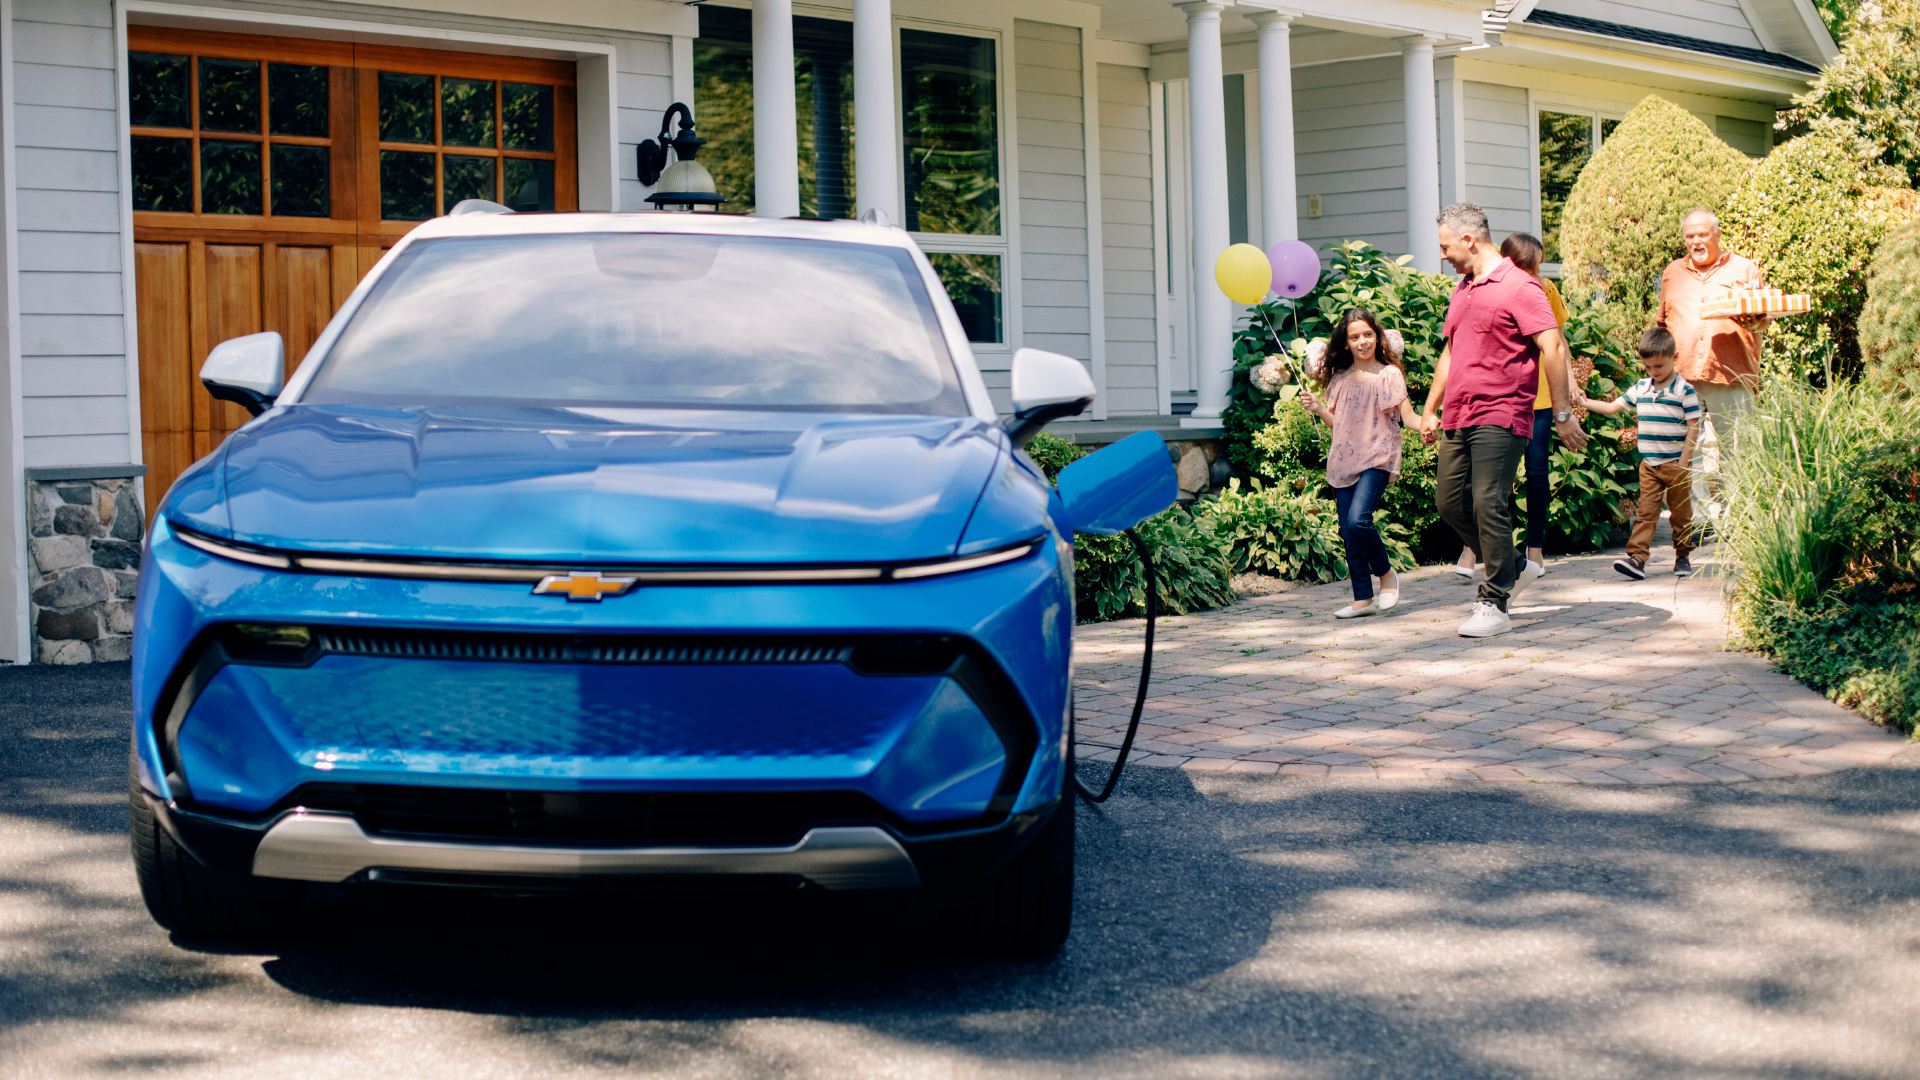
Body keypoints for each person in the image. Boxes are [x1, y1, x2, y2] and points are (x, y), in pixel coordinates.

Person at [1420, 203, 1585, 639]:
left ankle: (1494, 601)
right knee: (1449, 503)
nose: (1442, 255)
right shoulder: (1463, 288)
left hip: (1503, 410)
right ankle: (1512, 566)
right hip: (1459, 411)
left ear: (1469, 240)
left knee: (1486, 501)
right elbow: (1450, 353)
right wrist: (1431, 408)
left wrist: (1564, 412)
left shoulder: (1521, 287)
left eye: (1445, 246)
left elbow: (1553, 347)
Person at [1449, 232, 1575, 580]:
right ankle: (1472, 548)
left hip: (1541, 400)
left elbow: (1556, 339)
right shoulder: (1485, 285)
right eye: (1526, 267)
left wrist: (1571, 383)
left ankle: (1534, 549)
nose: (1531, 275)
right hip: (1499, 401)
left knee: (1536, 475)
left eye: (1535, 268)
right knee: (1484, 483)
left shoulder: (1543, 288)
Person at [1299, 308, 1424, 619]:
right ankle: (1362, 598)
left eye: (1368, 334)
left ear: (1376, 337)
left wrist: (1426, 424)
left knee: (1358, 520)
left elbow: (1407, 416)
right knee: (1347, 530)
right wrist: (1317, 408)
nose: (1362, 341)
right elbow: (1336, 423)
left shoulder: (1388, 375)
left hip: (1377, 456)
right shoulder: (1340, 380)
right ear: (1346, 344)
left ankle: (1386, 574)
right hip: (1343, 459)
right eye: (1355, 337)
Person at [1655, 208, 1768, 508]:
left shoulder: (1744, 269)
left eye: (1702, 234)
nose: (1696, 242)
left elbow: (1764, 317)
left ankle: (1737, 518)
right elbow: (1662, 323)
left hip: (1730, 374)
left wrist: (1753, 321)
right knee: (1684, 451)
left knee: (1737, 449)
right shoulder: (1673, 273)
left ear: (1717, 234)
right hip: (1683, 375)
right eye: (1689, 236)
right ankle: (1695, 522)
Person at [1580, 327, 1701, 579]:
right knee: (1646, 512)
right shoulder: (1641, 387)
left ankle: (1683, 556)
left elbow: (1694, 426)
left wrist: (1684, 462)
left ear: (1674, 357)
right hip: (1649, 465)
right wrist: (1583, 402)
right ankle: (1637, 558)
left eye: (1659, 366)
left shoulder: (1684, 390)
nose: (1653, 372)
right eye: (1648, 367)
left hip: (1676, 463)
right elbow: (1613, 407)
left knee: (1681, 513)